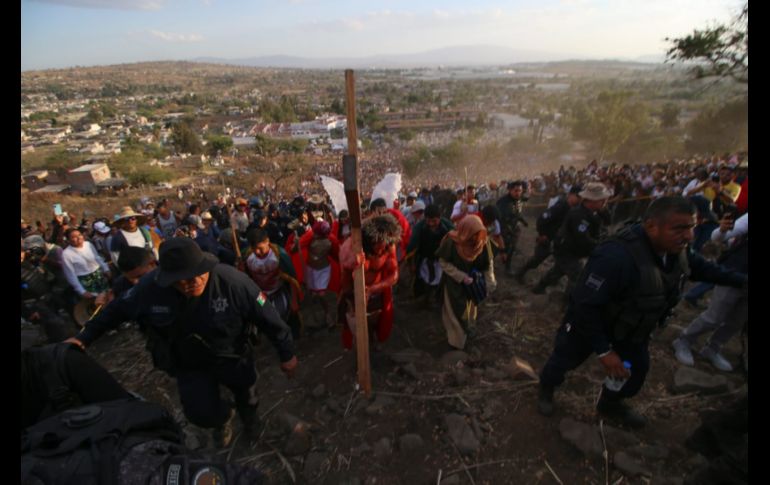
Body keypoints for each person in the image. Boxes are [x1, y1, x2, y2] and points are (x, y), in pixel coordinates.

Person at [65, 238, 298, 448]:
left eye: (199, 273)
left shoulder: (234, 282)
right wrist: (83, 337)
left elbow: (269, 317)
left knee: (248, 396)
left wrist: (286, 353)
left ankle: (250, 423)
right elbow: (114, 311)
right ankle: (222, 418)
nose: (194, 281)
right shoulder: (149, 288)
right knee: (200, 413)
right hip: (189, 362)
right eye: (183, 279)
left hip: (232, 355)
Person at [537, 197, 747, 428]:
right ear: (651, 226)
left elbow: (703, 268)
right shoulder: (615, 256)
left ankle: (610, 403)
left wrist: (742, 281)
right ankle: (546, 389)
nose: (689, 236)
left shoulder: (678, 251)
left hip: (631, 329)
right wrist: (604, 351)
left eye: (692, 227)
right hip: (591, 326)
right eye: (679, 228)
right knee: (563, 360)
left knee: (635, 369)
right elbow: (584, 305)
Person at [673, 212, 748, 372]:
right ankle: (684, 340)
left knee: (736, 322)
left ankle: (712, 348)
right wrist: (722, 231)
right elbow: (718, 236)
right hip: (735, 273)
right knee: (715, 316)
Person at [532, 182, 611, 297]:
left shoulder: (595, 211)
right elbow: (583, 239)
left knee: (558, 270)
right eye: (602, 200)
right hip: (567, 250)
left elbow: (608, 222)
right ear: (591, 200)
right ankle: (566, 302)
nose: (605, 202)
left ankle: (539, 287)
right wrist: (600, 247)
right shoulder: (578, 214)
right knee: (577, 276)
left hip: (573, 251)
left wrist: (604, 211)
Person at [338, 214, 401, 350]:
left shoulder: (389, 247)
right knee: (357, 328)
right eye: (378, 245)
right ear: (370, 241)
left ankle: (372, 341)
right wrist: (352, 299)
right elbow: (345, 279)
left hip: (376, 293)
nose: (382, 250)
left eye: (384, 245)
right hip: (355, 294)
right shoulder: (351, 249)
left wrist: (372, 289)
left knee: (375, 321)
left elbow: (394, 275)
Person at [436, 215, 496, 350]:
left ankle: (467, 331)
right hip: (454, 285)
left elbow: (488, 264)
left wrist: (489, 282)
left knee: (469, 312)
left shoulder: (484, 243)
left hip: (473, 285)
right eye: (472, 234)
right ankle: (455, 343)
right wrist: (461, 276)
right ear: (464, 231)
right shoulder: (452, 242)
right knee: (454, 313)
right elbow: (443, 262)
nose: (475, 238)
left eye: (477, 234)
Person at [245, 228, 304, 339]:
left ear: (267, 241)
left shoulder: (279, 256)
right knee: (264, 315)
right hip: (261, 295)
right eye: (254, 249)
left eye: (260, 248)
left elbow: (291, 279)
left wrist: (294, 301)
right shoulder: (248, 258)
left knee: (284, 314)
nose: (257, 252)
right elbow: (247, 278)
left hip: (278, 292)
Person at [516, 185, 582, 283]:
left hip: (559, 241)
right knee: (537, 260)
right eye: (578, 196)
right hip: (548, 238)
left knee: (560, 264)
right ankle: (520, 273)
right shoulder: (561, 206)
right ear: (571, 195)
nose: (580, 199)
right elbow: (542, 219)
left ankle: (546, 283)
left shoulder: (574, 209)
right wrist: (542, 234)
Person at [406, 204, 454, 302]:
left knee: (441, 280)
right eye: (428, 221)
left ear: (440, 218)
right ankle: (425, 297)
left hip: (441, 260)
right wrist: (412, 264)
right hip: (425, 259)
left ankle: (437, 298)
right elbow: (411, 247)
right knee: (423, 279)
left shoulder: (448, 227)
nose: (431, 224)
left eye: (434, 221)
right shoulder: (419, 228)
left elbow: (456, 241)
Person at [62, 228, 112, 303]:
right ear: (68, 240)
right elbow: (70, 275)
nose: (79, 238)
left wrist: (106, 269)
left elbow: (97, 257)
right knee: (99, 302)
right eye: (74, 237)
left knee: (109, 297)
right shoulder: (66, 254)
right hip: (86, 281)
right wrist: (81, 291)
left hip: (99, 275)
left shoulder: (88, 244)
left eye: (79, 235)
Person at [496, 181, 527, 274]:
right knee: (500, 247)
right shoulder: (503, 202)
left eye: (520, 190)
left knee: (512, 247)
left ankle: (507, 266)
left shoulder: (520, 199)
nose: (518, 193)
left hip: (515, 227)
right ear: (510, 190)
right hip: (504, 228)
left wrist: (523, 221)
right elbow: (500, 218)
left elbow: (518, 213)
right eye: (516, 190)